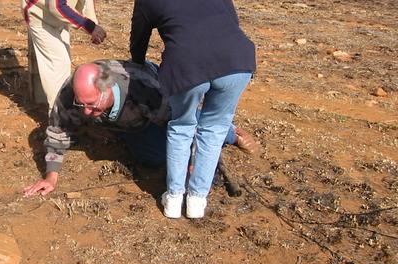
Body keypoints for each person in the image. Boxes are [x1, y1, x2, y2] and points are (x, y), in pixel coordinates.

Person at [129, 0, 256, 220]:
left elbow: (138, 40)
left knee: (181, 127)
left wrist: (137, 66)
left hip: (185, 67)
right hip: (236, 59)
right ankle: (197, 201)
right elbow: (230, 14)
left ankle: (174, 199)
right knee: (213, 130)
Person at [23, 60, 258, 197]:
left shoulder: (146, 91)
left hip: (157, 110)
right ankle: (118, 127)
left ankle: (230, 132)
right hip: (129, 123)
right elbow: (58, 131)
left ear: (109, 89)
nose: (84, 111)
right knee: (152, 159)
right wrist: (51, 177)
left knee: (190, 129)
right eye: (80, 104)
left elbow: (181, 124)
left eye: (91, 105)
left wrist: (193, 163)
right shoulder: (71, 92)